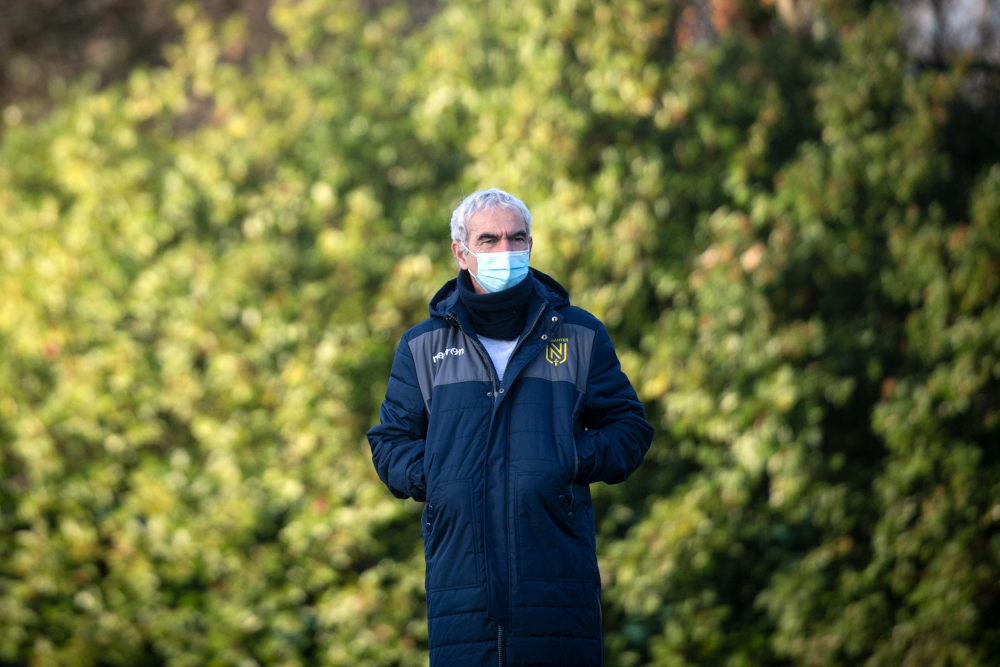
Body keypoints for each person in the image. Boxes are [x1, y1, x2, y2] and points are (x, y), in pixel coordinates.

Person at [367, 188, 653, 666]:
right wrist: (439, 476)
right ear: (461, 253)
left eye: (516, 238)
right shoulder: (422, 347)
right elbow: (390, 443)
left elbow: (629, 428)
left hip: (558, 583)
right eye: (490, 239)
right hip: (461, 588)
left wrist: (569, 459)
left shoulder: (579, 334)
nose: (506, 251)